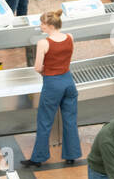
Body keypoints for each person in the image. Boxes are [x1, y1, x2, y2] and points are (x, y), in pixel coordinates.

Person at [22, 10, 82, 170]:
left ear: (49, 26)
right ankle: (72, 155)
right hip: (69, 81)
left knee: (45, 121)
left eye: (42, 24)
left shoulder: (44, 43)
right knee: (70, 119)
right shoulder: (70, 37)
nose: (40, 26)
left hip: (52, 83)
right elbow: (68, 58)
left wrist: (45, 72)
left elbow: (37, 67)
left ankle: (38, 158)